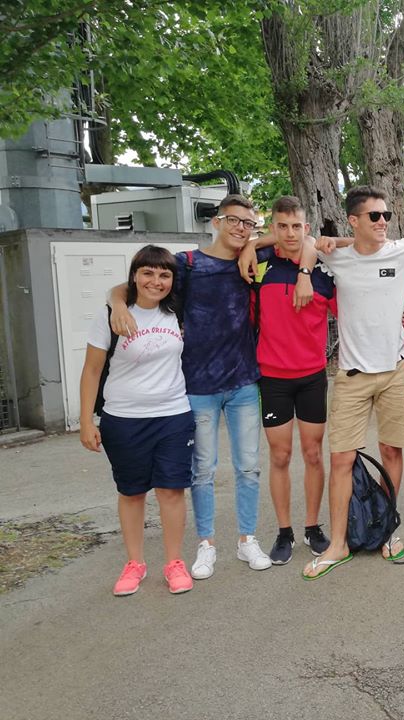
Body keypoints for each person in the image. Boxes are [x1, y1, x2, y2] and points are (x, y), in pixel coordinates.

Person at [247, 186, 404, 578]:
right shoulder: (335, 257)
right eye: (374, 216)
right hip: (352, 376)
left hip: (396, 372)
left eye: (385, 215)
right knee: (341, 459)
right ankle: (338, 544)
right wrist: (265, 251)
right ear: (354, 220)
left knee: (392, 453)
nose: (382, 222)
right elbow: (302, 241)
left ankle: (387, 531)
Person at [110, 194, 272, 579]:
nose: (240, 229)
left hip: (243, 382)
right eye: (234, 221)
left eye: (248, 223)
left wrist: (254, 244)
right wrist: (116, 303)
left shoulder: (251, 258)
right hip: (197, 385)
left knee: (249, 467)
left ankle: (247, 539)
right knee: (202, 470)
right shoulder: (187, 264)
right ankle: (206, 544)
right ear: (216, 222)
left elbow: (299, 239)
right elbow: (132, 286)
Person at [80, 245, 195, 595]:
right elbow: (92, 370)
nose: (155, 281)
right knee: (131, 493)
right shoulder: (112, 315)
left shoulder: (177, 310)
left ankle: (174, 563)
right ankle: (135, 563)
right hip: (124, 419)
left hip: (173, 415)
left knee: (171, 491)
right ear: (134, 276)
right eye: (147, 273)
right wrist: (86, 421)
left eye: (164, 275)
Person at [254, 196, 335, 564]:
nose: (289, 233)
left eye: (296, 226)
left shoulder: (323, 272)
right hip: (273, 377)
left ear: (306, 228)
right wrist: (255, 245)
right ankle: (284, 531)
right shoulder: (259, 264)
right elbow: (234, 248)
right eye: (282, 226)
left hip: (312, 376)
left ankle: (312, 526)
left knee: (313, 453)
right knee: (280, 455)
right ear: (273, 228)